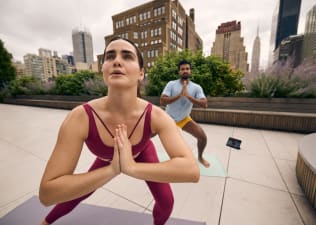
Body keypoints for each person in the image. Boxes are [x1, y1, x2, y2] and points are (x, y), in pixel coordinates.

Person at [38, 37, 200, 225]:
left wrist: (131, 167)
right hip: (108, 158)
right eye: (110, 56)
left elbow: (191, 171)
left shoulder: (156, 116)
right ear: (103, 71)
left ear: (141, 73)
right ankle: (45, 222)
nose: (116, 61)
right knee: (78, 194)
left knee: (166, 201)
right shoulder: (80, 117)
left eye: (127, 56)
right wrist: (113, 169)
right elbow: (47, 194)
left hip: (142, 151)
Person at [160, 60, 210, 168]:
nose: (185, 71)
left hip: (184, 119)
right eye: (182, 69)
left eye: (187, 69)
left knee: (202, 137)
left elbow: (204, 104)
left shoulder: (196, 87)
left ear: (190, 71)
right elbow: (162, 101)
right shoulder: (171, 84)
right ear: (179, 72)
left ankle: (200, 157)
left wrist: (188, 96)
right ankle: (137, 152)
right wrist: (179, 95)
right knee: (149, 133)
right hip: (168, 118)